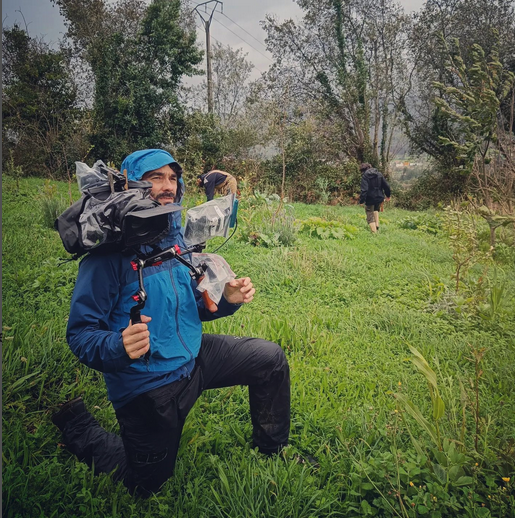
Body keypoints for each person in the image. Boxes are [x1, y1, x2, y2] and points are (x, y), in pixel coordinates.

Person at [52, 149, 290, 498]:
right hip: (148, 384)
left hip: (193, 357)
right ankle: (76, 424)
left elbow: (195, 306)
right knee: (146, 483)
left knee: (270, 359)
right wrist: (118, 345)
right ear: (132, 185)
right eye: (156, 177)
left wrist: (226, 299)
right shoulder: (107, 258)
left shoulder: (176, 242)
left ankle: (272, 448)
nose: (168, 186)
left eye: (172, 178)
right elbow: (80, 334)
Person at [358, 163, 391, 233]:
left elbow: (364, 190)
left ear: (362, 170)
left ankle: (374, 233)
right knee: (376, 209)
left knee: (369, 214)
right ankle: (377, 225)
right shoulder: (379, 174)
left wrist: (362, 201)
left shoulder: (365, 176)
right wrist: (388, 195)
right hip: (379, 197)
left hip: (370, 198)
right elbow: (386, 186)